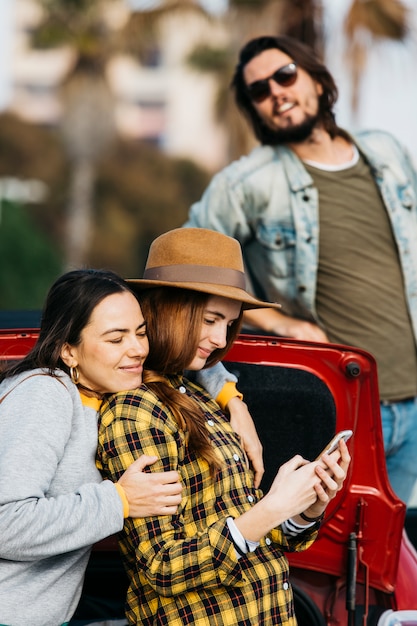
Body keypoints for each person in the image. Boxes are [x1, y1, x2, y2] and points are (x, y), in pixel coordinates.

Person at [184, 35, 417, 505]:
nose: (276, 92)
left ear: (315, 78)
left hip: (412, 401)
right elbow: (187, 270)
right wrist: (276, 321)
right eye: (259, 90)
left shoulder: (386, 153)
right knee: (323, 559)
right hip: (335, 403)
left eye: (285, 75)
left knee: (394, 561)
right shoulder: (247, 182)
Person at [97, 227, 350, 626]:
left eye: (229, 324)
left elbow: (251, 531)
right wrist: (271, 507)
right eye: (210, 319)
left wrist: (306, 508)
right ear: (167, 309)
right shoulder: (136, 411)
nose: (219, 339)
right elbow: (161, 567)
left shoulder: (199, 395)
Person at [0, 269, 183, 626]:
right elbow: (5, 523)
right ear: (68, 350)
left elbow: (193, 351)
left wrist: (230, 396)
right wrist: (120, 501)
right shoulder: (45, 392)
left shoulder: (107, 393)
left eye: (141, 332)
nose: (138, 349)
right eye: (116, 339)